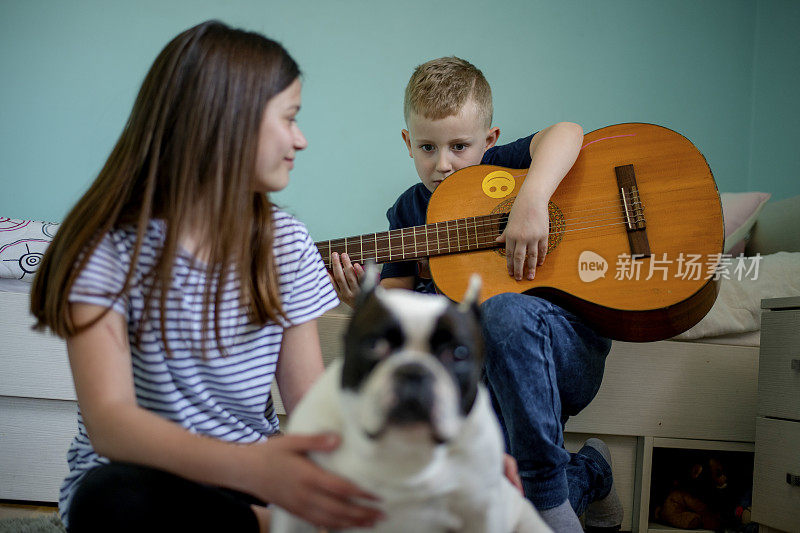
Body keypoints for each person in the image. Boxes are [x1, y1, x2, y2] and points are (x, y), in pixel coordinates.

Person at [30, 20, 384, 533]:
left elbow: (312, 408)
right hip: (147, 480)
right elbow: (110, 425)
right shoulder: (105, 249)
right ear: (228, 122)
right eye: (289, 119)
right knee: (109, 501)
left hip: (250, 475)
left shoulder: (285, 242)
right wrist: (260, 475)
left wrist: (445, 466)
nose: (301, 140)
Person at [329, 56, 622, 532]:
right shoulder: (410, 211)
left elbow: (568, 131)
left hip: (563, 351)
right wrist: (360, 300)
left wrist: (532, 201)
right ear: (407, 143)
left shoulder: (500, 170)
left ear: (489, 141)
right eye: (427, 147)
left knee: (502, 310)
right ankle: (590, 471)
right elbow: (399, 302)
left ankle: (550, 495)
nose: (443, 164)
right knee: (493, 504)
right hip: (483, 384)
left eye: (459, 146)